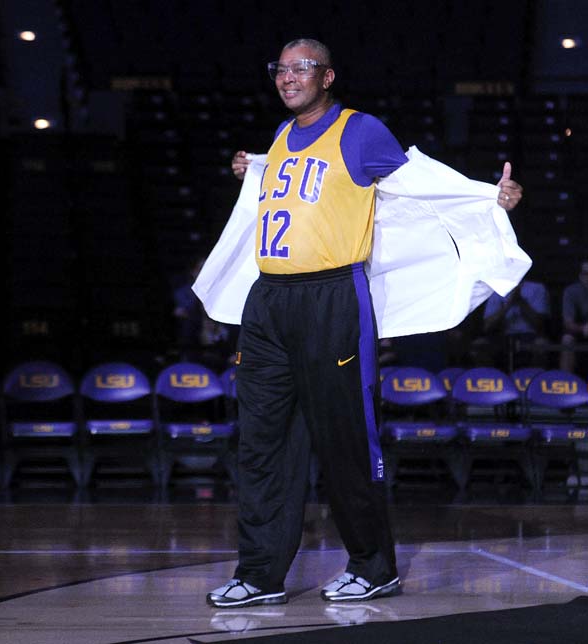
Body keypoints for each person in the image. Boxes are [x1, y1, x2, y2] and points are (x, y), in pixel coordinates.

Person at [204, 38, 523, 608]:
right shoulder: (280, 137)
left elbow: (417, 186)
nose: (287, 77)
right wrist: (252, 167)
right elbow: (296, 191)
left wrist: (486, 197)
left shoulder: (358, 130)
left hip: (330, 299)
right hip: (270, 303)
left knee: (346, 438)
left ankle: (373, 567)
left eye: (302, 68)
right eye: (280, 68)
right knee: (261, 444)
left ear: (328, 77)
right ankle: (258, 574)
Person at [482, 274, 550, 370]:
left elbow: (540, 325)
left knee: (541, 345)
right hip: (502, 336)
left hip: (530, 336)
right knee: (480, 346)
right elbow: (487, 326)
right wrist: (508, 304)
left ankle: (536, 380)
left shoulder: (537, 288)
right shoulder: (496, 289)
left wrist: (520, 301)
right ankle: (488, 380)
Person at [560, 259, 588, 374]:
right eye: (586, 273)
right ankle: (566, 381)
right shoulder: (571, 291)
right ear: (580, 275)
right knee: (567, 340)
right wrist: (584, 329)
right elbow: (568, 323)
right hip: (579, 333)